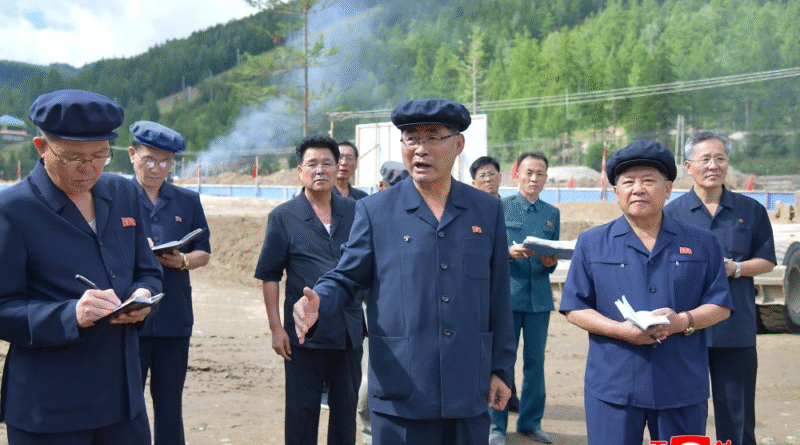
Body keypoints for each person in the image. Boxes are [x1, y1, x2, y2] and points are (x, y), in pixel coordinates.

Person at [293, 99, 516, 445]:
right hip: (403, 387)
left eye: (433, 138)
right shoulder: (376, 211)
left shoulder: (486, 210)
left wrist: (500, 368)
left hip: (467, 384)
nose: (420, 149)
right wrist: (319, 300)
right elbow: (347, 276)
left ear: (458, 144)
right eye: (411, 139)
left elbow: (499, 295)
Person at [0, 89, 162, 444]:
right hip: (50, 408)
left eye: (100, 155)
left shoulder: (123, 193)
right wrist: (70, 314)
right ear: (41, 147)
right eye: (73, 157)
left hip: (123, 402)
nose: (88, 168)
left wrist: (143, 295)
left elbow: (148, 269)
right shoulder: (12, 210)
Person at [558, 140, 733, 445]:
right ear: (616, 193)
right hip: (614, 386)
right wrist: (620, 331)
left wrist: (682, 321)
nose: (638, 189)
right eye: (628, 182)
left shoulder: (702, 242)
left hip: (681, 384)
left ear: (668, 189)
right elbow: (574, 306)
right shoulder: (592, 242)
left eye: (649, 181)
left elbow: (720, 305)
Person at [664, 131, 775, 445]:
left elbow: (766, 260)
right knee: (684, 410)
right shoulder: (671, 214)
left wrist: (735, 269)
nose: (713, 165)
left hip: (734, 328)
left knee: (737, 413)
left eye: (720, 158)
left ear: (728, 163)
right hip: (686, 328)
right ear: (688, 166)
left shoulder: (750, 210)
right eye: (705, 159)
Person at [254, 135, 364, 445]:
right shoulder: (283, 216)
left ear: (338, 168)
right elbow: (270, 276)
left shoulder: (356, 212)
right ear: (300, 171)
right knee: (301, 415)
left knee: (345, 414)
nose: (320, 170)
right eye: (312, 164)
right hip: (303, 335)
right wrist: (277, 329)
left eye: (327, 163)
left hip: (348, 332)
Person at [128, 121, 212, 445]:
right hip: (129, 318)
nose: (156, 168)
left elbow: (204, 251)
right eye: (149, 159)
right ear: (132, 154)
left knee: (170, 406)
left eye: (164, 162)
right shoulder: (115, 197)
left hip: (174, 317)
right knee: (127, 405)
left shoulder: (187, 201)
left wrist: (184, 261)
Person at [490, 152, 559, 445]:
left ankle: (530, 423)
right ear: (516, 174)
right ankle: (496, 427)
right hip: (507, 298)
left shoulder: (552, 213)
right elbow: (488, 250)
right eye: (529, 172)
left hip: (539, 300)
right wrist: (508, 253)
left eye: (540, 174)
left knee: (535, 364)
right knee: (501, 362)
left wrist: (550, 262)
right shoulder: (499, 208)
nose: (534, 179)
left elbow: (553, 260)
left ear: (546, 178)